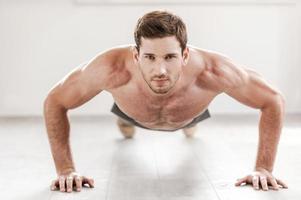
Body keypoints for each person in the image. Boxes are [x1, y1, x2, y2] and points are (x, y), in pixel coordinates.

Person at [43, 10, 288, 193]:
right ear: (136, 55)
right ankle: (125, 121)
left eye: (170, 57)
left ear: (185, 55)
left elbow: (272, 99)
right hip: (132, 111)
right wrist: (66, 170)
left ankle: (190, 124)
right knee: (127, 127)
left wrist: (263, 168)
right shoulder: (111, 69)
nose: (160, 69)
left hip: (189, 112)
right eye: (149, 57)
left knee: (189, 123)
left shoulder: (213, 72)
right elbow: (55, 101)